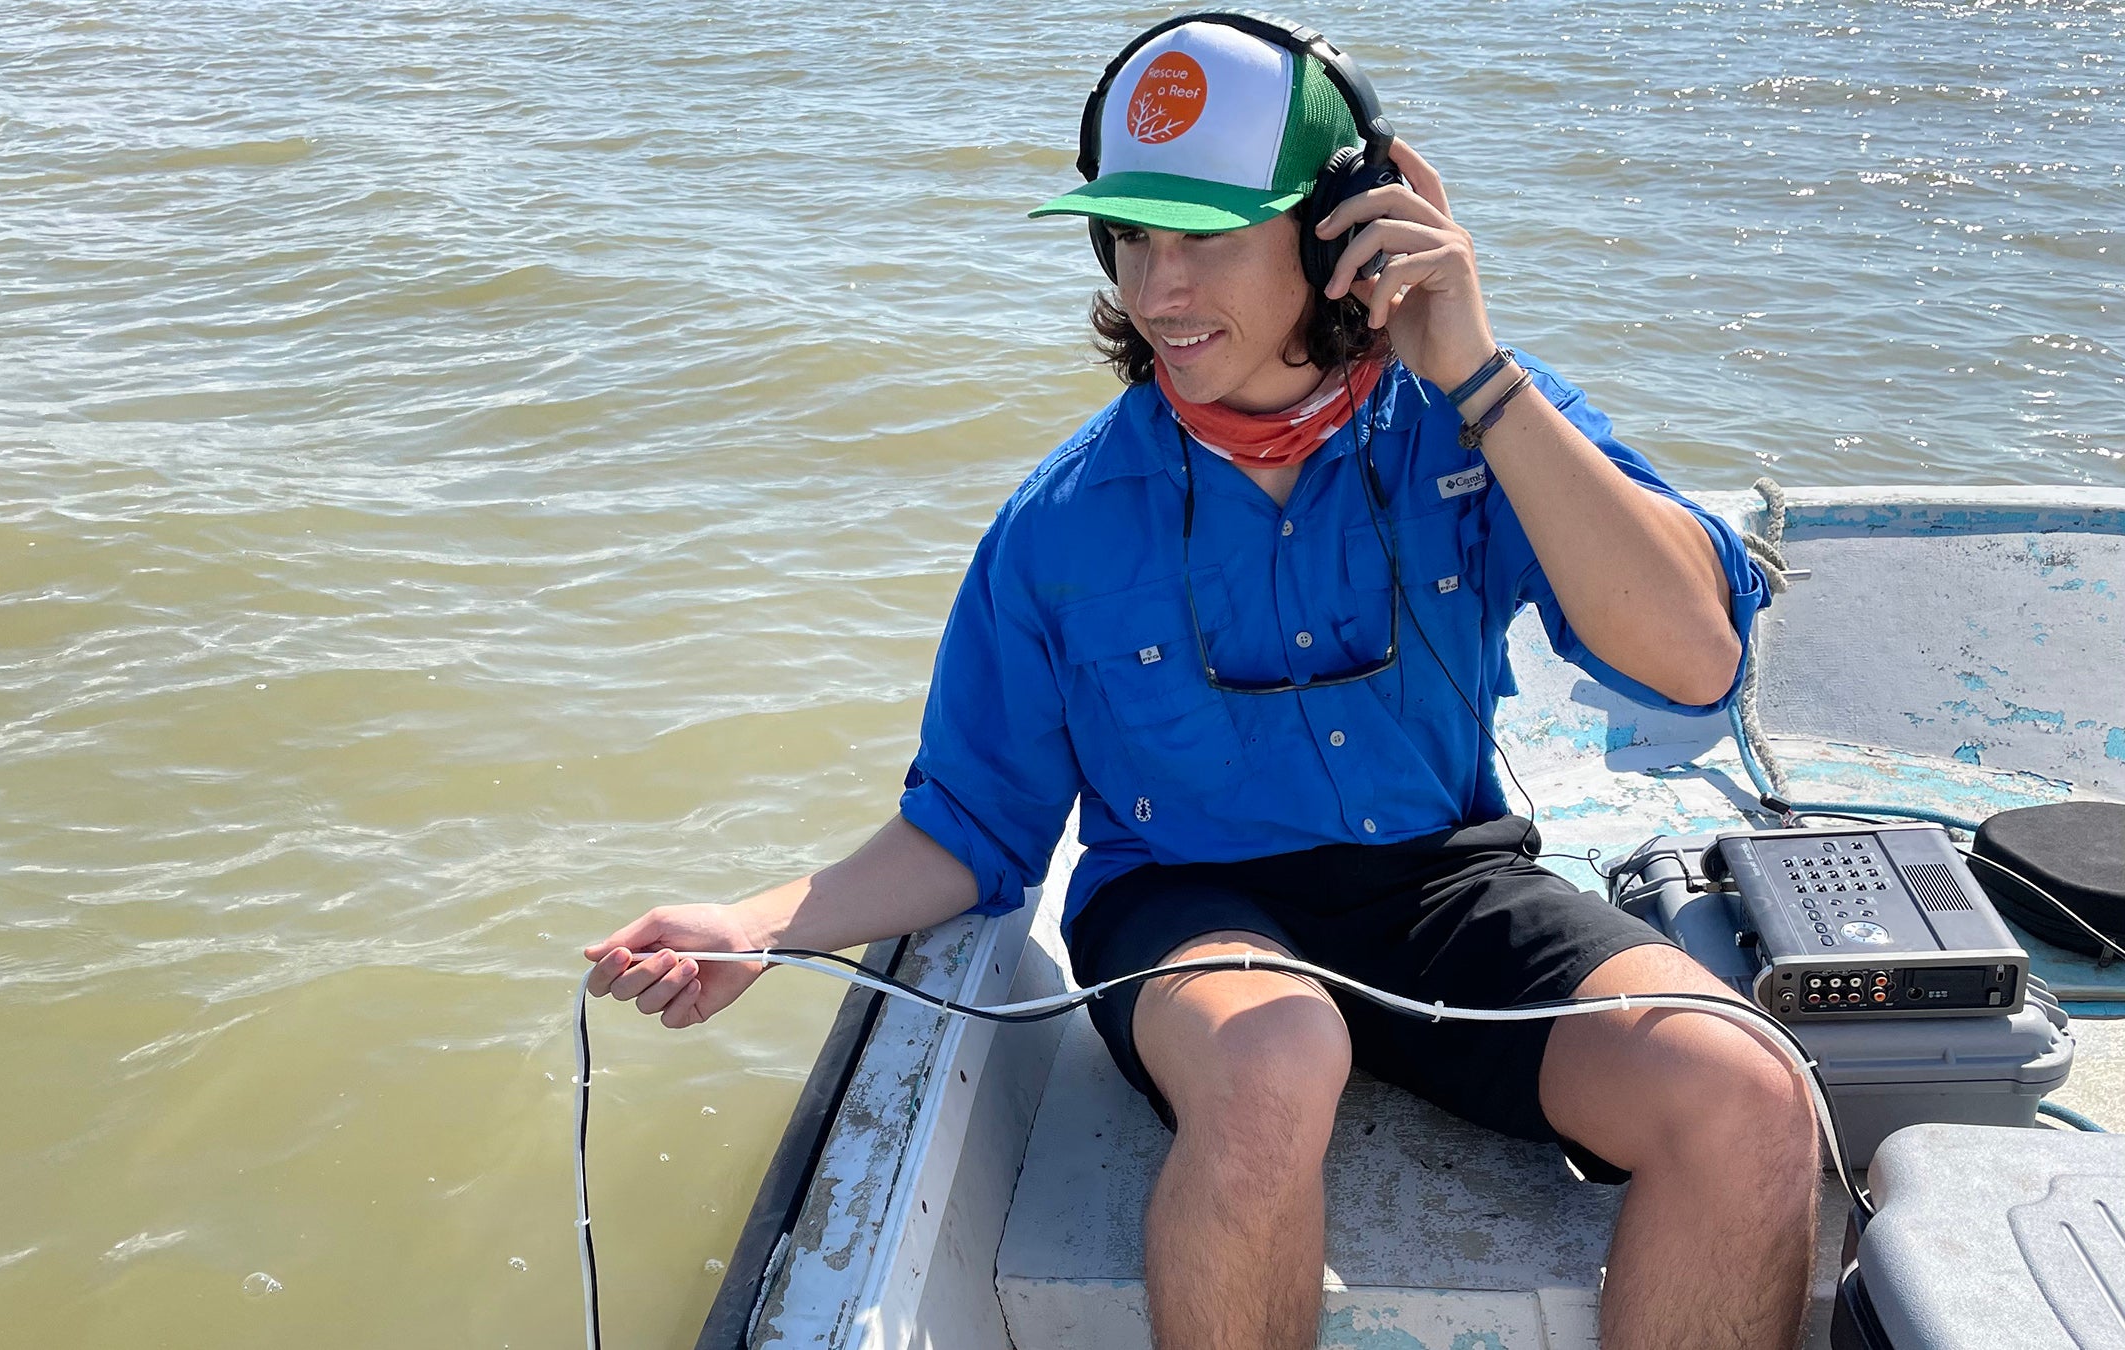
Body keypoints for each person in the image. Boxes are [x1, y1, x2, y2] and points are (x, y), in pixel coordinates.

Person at [586, 12, 1819, 1349]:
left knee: (1746, 1089)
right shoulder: (1061, 519)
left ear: (1345, 229)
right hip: (1183, 912)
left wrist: (1468, 363)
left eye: (1208, 237)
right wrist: (755, 924)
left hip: (1446, 879)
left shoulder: (1475, 424)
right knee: (1276, 1053)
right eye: (1132, 237)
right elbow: (971, 828)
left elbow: (1696, 660)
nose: (1157, 289)